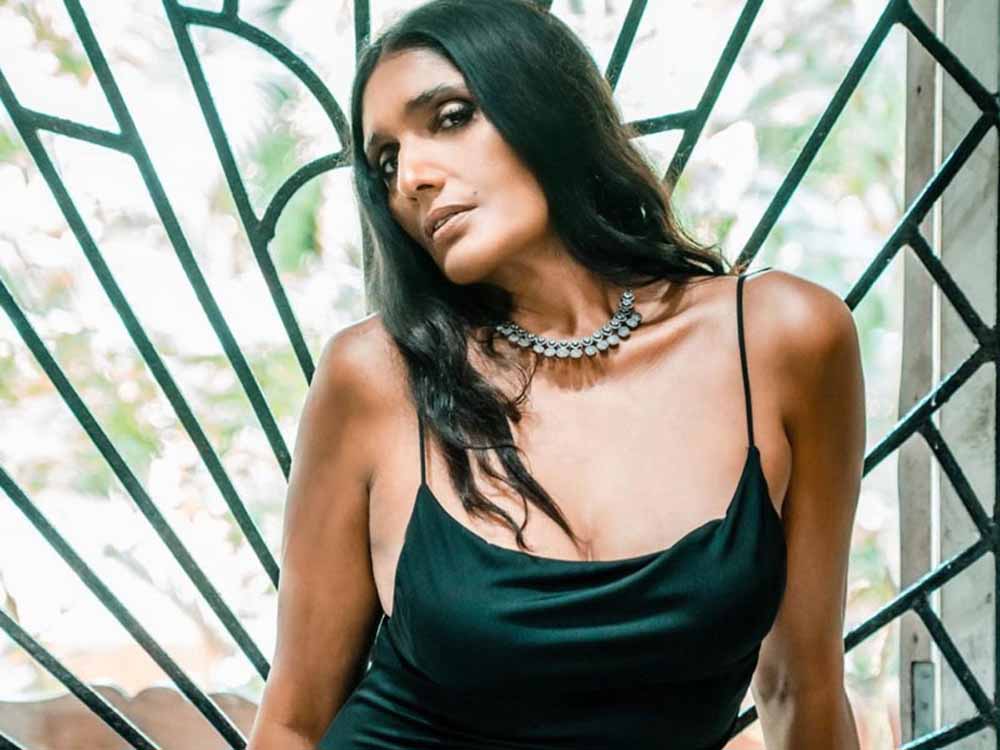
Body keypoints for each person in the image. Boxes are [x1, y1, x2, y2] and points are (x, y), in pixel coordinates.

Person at [246, 1, 866, 748]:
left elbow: (800, 686)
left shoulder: (784, 340)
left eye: (450, 118)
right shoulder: (376, 378)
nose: (411, 177)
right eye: (386, 162)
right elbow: (294, 722)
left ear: (544, 102)